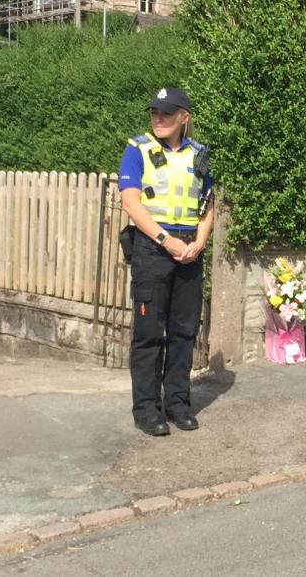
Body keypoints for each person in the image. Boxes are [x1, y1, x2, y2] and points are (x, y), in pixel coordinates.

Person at [119, 87, 214, 436]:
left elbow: (208, 204)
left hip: (189, 252)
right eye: (155, 112)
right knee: (148, 336)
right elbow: (130, 202)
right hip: (152, 251)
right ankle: (146, 409)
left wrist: (199, 242)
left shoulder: (200, 154)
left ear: (183, 117)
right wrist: (165, 240)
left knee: (183, 333)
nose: (158, 118)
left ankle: (177, 404)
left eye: (167, 113)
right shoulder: (137, 150)